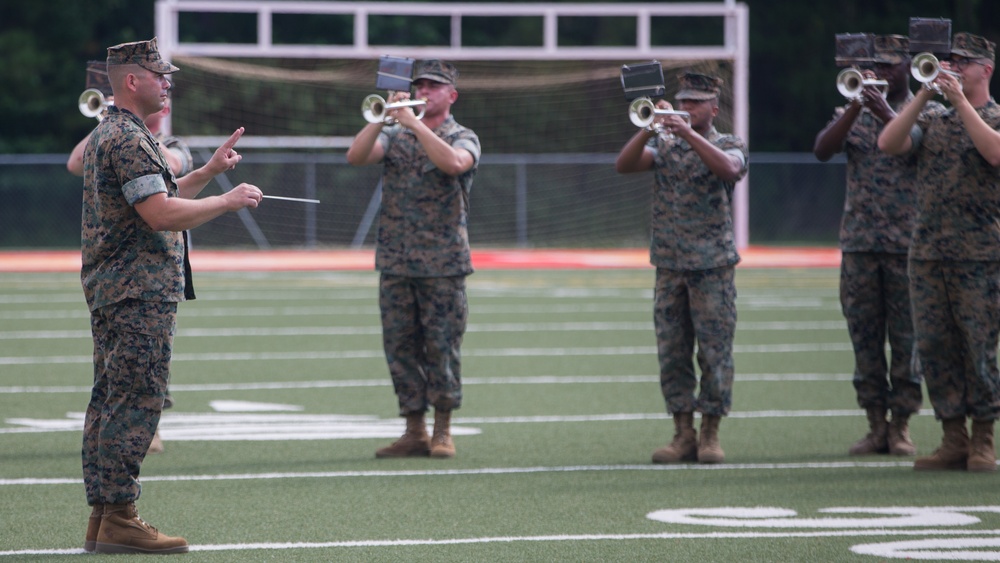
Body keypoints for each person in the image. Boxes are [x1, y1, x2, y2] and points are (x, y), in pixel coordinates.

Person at [81, 37, 264, 554]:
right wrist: (226, 202)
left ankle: (103, 515)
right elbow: (159, 215)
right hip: (136, 290)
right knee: (136, 399)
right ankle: (120, 514)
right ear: (132, 81)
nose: (167, 83)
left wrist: (207, 174)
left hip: (121, 288)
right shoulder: (130, 138)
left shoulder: (116, 132)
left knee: (110, 398)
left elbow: (156, 198)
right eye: (159, 75)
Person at [813, 35, 943, 457]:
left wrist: (884, 110)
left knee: (907, 342)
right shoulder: (853, 112)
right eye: (877, 66)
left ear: (908, 67)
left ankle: (902, 425)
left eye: (890, 66)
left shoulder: (929, 112)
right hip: (860, 244)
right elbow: (822, 151)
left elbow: (913, 150)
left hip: (909, 245)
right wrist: (855, 107)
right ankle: (875, 425)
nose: (883, 73)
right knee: (864, 340)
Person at [346, 59, 480, 459]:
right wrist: (384, 116)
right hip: (396, 260)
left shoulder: (462, 136)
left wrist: (415, 124)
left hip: (443, 264)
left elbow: (454, 164)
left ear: (451, 95)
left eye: (433, 86)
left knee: (441, 347)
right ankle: (413, 429)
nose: (423, 90)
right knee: (400, 347)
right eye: (419, 84)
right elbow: (356, 156)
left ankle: (442, 430)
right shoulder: (395, 133)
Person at [878, 32, 1000, 472]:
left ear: (986, 69)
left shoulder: (994, 116)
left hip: (980, 256)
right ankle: (953, 436)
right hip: (927, 254)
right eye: (949, 61)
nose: (953, 67)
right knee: (935, 348)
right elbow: (888, 143)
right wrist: (925, 93)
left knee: (978, 348)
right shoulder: (930, 117)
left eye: (962, 62)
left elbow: (994, 154)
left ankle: (984, 438)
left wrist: (960, 102)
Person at [615, 72, 748, 465]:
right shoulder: (664, 144)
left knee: (714, 352)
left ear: (714, 108)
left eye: (695, 102)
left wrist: (688, 132)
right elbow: (624, 165)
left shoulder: (729, 143)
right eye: (682, 101)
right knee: (672, 353)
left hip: (712, 266)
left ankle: (710, 433)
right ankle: (682, 432)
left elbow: (729, 169)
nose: (686, 108)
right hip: (670, 265)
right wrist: (648, 128)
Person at [69, 67, 191, 456]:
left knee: (147, 365)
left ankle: (148, 427)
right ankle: (117, 490)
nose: (165, 97)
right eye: (160, 86)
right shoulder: (114, 135)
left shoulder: (164, 142)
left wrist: (134, 131)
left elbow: (172, 166)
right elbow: (75, 161)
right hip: (131, 274)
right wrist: (111, 114)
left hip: (150, 266)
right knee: (123, 371)